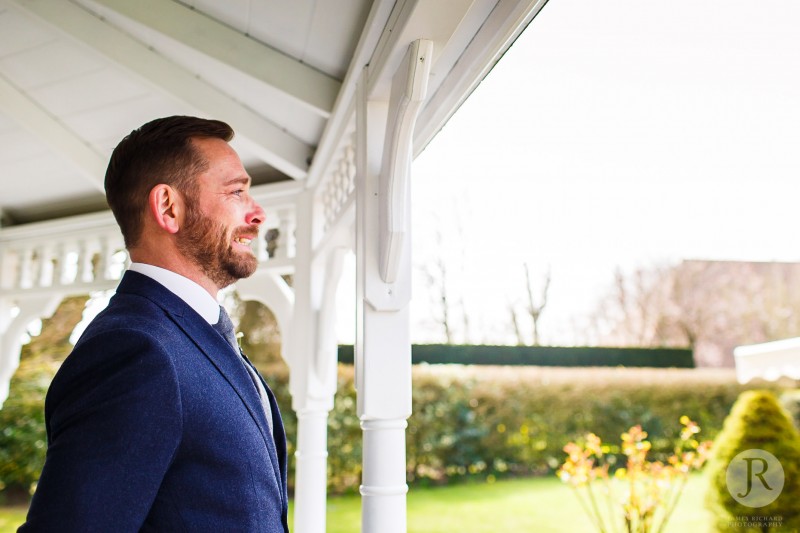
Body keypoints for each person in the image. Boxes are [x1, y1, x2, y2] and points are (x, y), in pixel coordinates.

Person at [19, 116, 289, 532]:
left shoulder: (195, 333)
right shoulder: (134, 350)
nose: (257, 213)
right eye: (236, 192)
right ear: (168, 207)